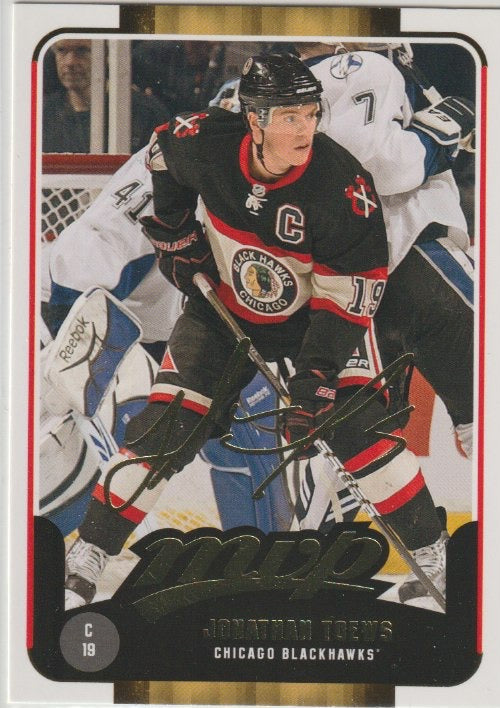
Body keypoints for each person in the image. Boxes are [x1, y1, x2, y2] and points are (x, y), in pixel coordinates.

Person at [64, 53, 447, 610]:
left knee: (356, 429)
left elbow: (351, 296)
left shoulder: (344, 188)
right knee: (165, 428)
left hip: (320, 321)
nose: (306, 129)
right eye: (290, 117)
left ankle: (433, 554)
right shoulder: (204, 141)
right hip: (225, 308)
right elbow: (162, 154)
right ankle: (90, 554)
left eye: (311, 114)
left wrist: (316, 377)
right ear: (255, 120)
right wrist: (175, 230)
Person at [43, 39, 170, 153]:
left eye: (82, 50)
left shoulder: (145, 112)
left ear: (107, 55)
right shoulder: (44, 112)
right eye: (61, 50)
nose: (70, 62)